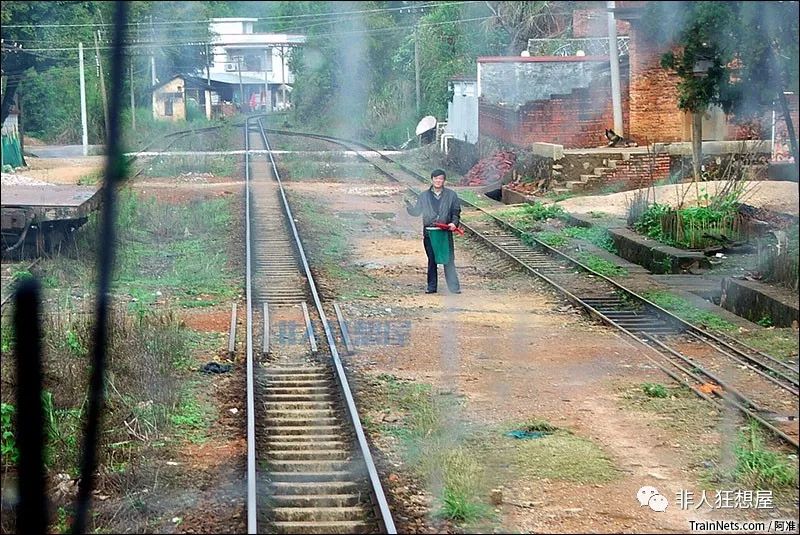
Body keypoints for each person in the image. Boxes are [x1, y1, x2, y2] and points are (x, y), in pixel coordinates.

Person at [404, 169, 462, 294]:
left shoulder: (451, 195)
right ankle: (431, 287)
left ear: (444, 180)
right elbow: (417, 212)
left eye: (440, 179)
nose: (438, 181)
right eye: (436, 178)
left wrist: (453, 223)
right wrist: (408, 207)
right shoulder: (423, 196)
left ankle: (454, 287)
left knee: (449, 259)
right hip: (430, 232)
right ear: (432, 180)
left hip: (445, 232)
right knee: (432, 259)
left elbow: (456, 212)